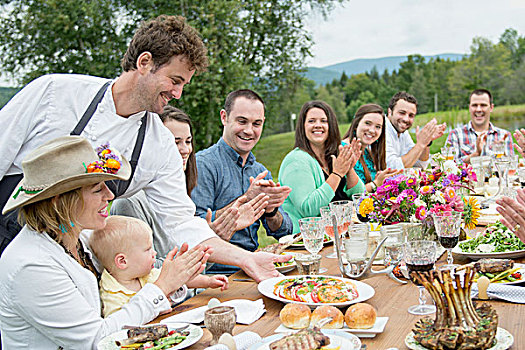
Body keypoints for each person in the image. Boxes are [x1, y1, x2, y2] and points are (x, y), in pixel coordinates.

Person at [0, 15, 288, 281]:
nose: (178, 94)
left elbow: (180, 221)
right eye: (175, 81)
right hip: (9, 240)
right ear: (145, 62)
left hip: (74, 264)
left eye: (184, 85)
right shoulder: (54, 93)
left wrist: (247, 259)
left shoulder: (158, 143)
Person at [0, 136, 211, 348]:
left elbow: (127, 278)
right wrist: (161, 286)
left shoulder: (78, 236)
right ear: (61, 201)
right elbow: (96, 340)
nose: (109, 195)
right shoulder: (31, 265)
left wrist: (176, 277)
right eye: (97, 189)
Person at [111, 106, 244, 261]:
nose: (185, 149)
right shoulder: (129, 204)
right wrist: (200, 251)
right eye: (175, 142)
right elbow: (141, 269)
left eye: (188, 141)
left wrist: (210, 241)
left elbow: (198, 274)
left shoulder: (183, 194)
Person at [191, 89, 294, 274]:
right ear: (224, 117)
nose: (249, 131)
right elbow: (195, 227)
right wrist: (247, 199)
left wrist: (271, 211)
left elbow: (284, 232)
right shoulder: (203, 164)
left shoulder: (260, 171)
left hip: (254, 267)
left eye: (257, 124)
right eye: (242, 121)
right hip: (217, 273)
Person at [90, 215, 228, 317]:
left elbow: (180, 279)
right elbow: (120, 324)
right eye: (147, 249)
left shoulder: (145, 275)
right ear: (122, 261)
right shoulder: (112, 293)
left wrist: (208, 282)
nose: (154, 253)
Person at [278, 100, 366, 233]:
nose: (318, 125)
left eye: (323, 121)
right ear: (303, 126)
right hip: (307, 241)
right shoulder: (296, 161)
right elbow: (309, 210)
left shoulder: (334, 155)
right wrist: (336, 174)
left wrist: (348, 169)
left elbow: (359, 196)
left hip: (339, 236)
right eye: (311, 121)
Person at [342, 103, 400, 192]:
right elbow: (348, 195)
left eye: (378, 127)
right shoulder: (343, 149)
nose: (372, 130)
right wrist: (376, 183)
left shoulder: (367, 153)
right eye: (367, 123)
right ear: (356, 124)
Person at [446, 89, 514, 164]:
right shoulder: (455, 135)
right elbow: (449, 167)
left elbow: (511, 168)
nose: (478, 109)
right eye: (474, 105)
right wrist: (476, 154)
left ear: (491, 107)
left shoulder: (504, 135)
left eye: (483, 105)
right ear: (469, 107)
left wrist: (501, 153)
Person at [385, 91, 446, 169]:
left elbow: (420, 164)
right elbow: (394, 168)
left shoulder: (403, 132)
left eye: (411, 115)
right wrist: (420, 144)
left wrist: (427, 142)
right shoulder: (380, 129)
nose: (406, 119)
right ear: (390, 111)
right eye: (402, 113)